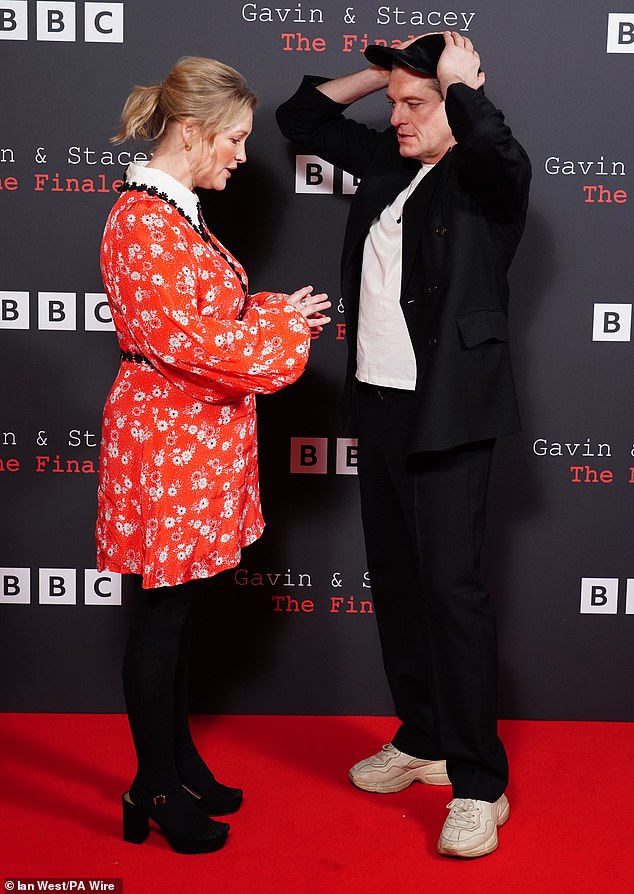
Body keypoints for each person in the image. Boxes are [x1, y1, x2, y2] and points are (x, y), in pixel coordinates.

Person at [277, 31, 530, 858]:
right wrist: (387, 74)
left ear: (456, 104)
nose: (397, 116)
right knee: (396, 583)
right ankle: (421, 737)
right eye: (394, 102)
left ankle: (479, 784)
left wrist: (456, 88)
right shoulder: (389, 163)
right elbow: (301, 117)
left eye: (414, 105)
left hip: (450, 413)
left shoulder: (485, 179)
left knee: (451, 593)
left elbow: (497, 147)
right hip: (380, 409)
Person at [96, 55, 330, 855]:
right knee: (162, 617)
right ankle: (152, 786)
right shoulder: (143, 220)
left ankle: (180, 760)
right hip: (169, 443)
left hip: (196, 441)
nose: (240, 154)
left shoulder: (176, 212)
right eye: (232, 140)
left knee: (183, 610)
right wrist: (284, 336)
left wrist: (269, 311)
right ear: (190, 133)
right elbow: (193, 346)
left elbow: (211, 315)